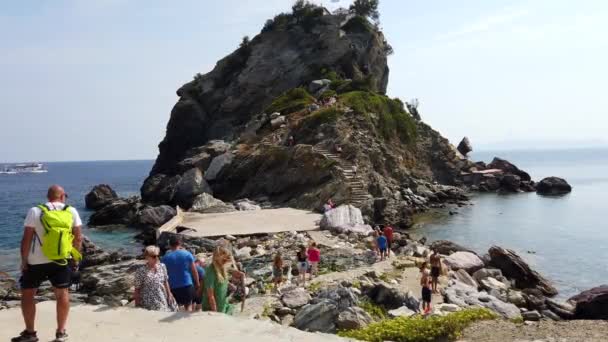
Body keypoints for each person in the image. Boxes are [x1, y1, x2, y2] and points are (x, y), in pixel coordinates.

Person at [13, 185, 83, 342]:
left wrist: (24, 261)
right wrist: (75, 260)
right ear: (63, 196)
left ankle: (30, 333)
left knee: (28, 294)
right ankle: (61, 333)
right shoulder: (71, 211)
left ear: (48, 196)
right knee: (62, 294)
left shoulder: (35, 211)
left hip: (35, 261)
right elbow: (78, 238)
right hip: (61, 260)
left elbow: (26, 239)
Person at [161, 236, 199, 312]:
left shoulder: (164, 258)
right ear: (180, 243)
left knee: (175, 308)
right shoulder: (187, 254)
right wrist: (197, 283)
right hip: (187, 284)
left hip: (173, 287)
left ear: (169, 245)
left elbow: (164, 275)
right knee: (188, 307)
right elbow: (194, 270)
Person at [134, 246, 174, 312]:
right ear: (147, 257)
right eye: (154, 256)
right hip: (147, 304)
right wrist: (137, 306)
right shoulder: (140, 271)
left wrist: (169, 295)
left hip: (162, 299)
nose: (157, 258)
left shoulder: (162, 266)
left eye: (158, 256)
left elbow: (166, 281)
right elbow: (137, 289)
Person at [202, 246, 234, 314]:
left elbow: (221, 282)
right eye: (224, 260)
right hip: (213, 309)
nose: (226, 261)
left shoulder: (222, 267)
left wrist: (229, 285)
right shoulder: (210, 271)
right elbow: (210, 296)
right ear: (217, 258)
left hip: (223, 305)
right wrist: (215, 314)